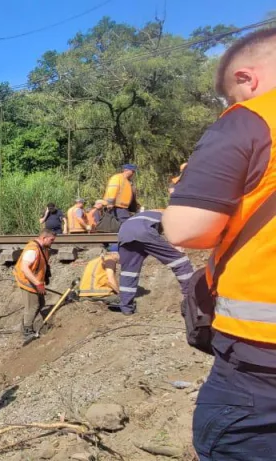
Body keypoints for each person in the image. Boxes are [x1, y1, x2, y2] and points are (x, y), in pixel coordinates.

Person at [162, 28, 276, 460]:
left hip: (261, 360)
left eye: (233, 98)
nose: (234, 108)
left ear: (247, 79)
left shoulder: (254, 117)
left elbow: (186, 231)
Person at [114, 210, 193, 315]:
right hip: (143, 232)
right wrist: (176, 246)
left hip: (123, 233)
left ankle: (126, 308)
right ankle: (191, 299)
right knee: (181, 262)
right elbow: (171, 233)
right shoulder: (166, 215)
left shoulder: (143, 215)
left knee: (129, 272)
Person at [14, 230, 56, 344]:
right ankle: (27, 331)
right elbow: (25, 268)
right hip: (28, 282)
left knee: (41, 303)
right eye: (51, 240)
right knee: (33, 306)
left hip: (35, 281)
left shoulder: (42, 248)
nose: (53, 242)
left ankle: (26, 325)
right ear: (44, 238)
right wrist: (38, 283)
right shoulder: (33, 250)